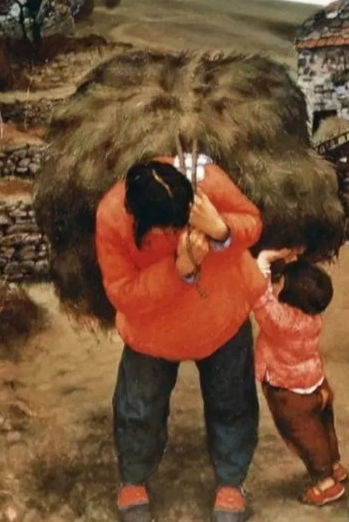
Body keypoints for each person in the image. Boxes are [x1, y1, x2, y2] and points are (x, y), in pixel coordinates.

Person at [94, 152, 267, 522]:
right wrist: (179, 270)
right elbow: (123, 293)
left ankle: (231, 483)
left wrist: (220, 228)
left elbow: (252, 222)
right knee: (138, 405)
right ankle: (134, 479)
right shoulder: (111, 217)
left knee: (231, 399)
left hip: (222, 312)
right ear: (140, 223)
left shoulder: (202, 179)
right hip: (153, 331)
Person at [251, 249, 349, 507]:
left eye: (282, 280)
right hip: (316, 383)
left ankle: (325, 484)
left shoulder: (282, 322)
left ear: (291, 295)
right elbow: (284, 293)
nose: (277, 282)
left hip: (290, 392)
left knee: (305, 437)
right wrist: (291, 256)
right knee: (324, 426)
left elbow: (262, 300)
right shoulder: (311, 317)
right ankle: (334, 465)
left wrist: (262, 262)